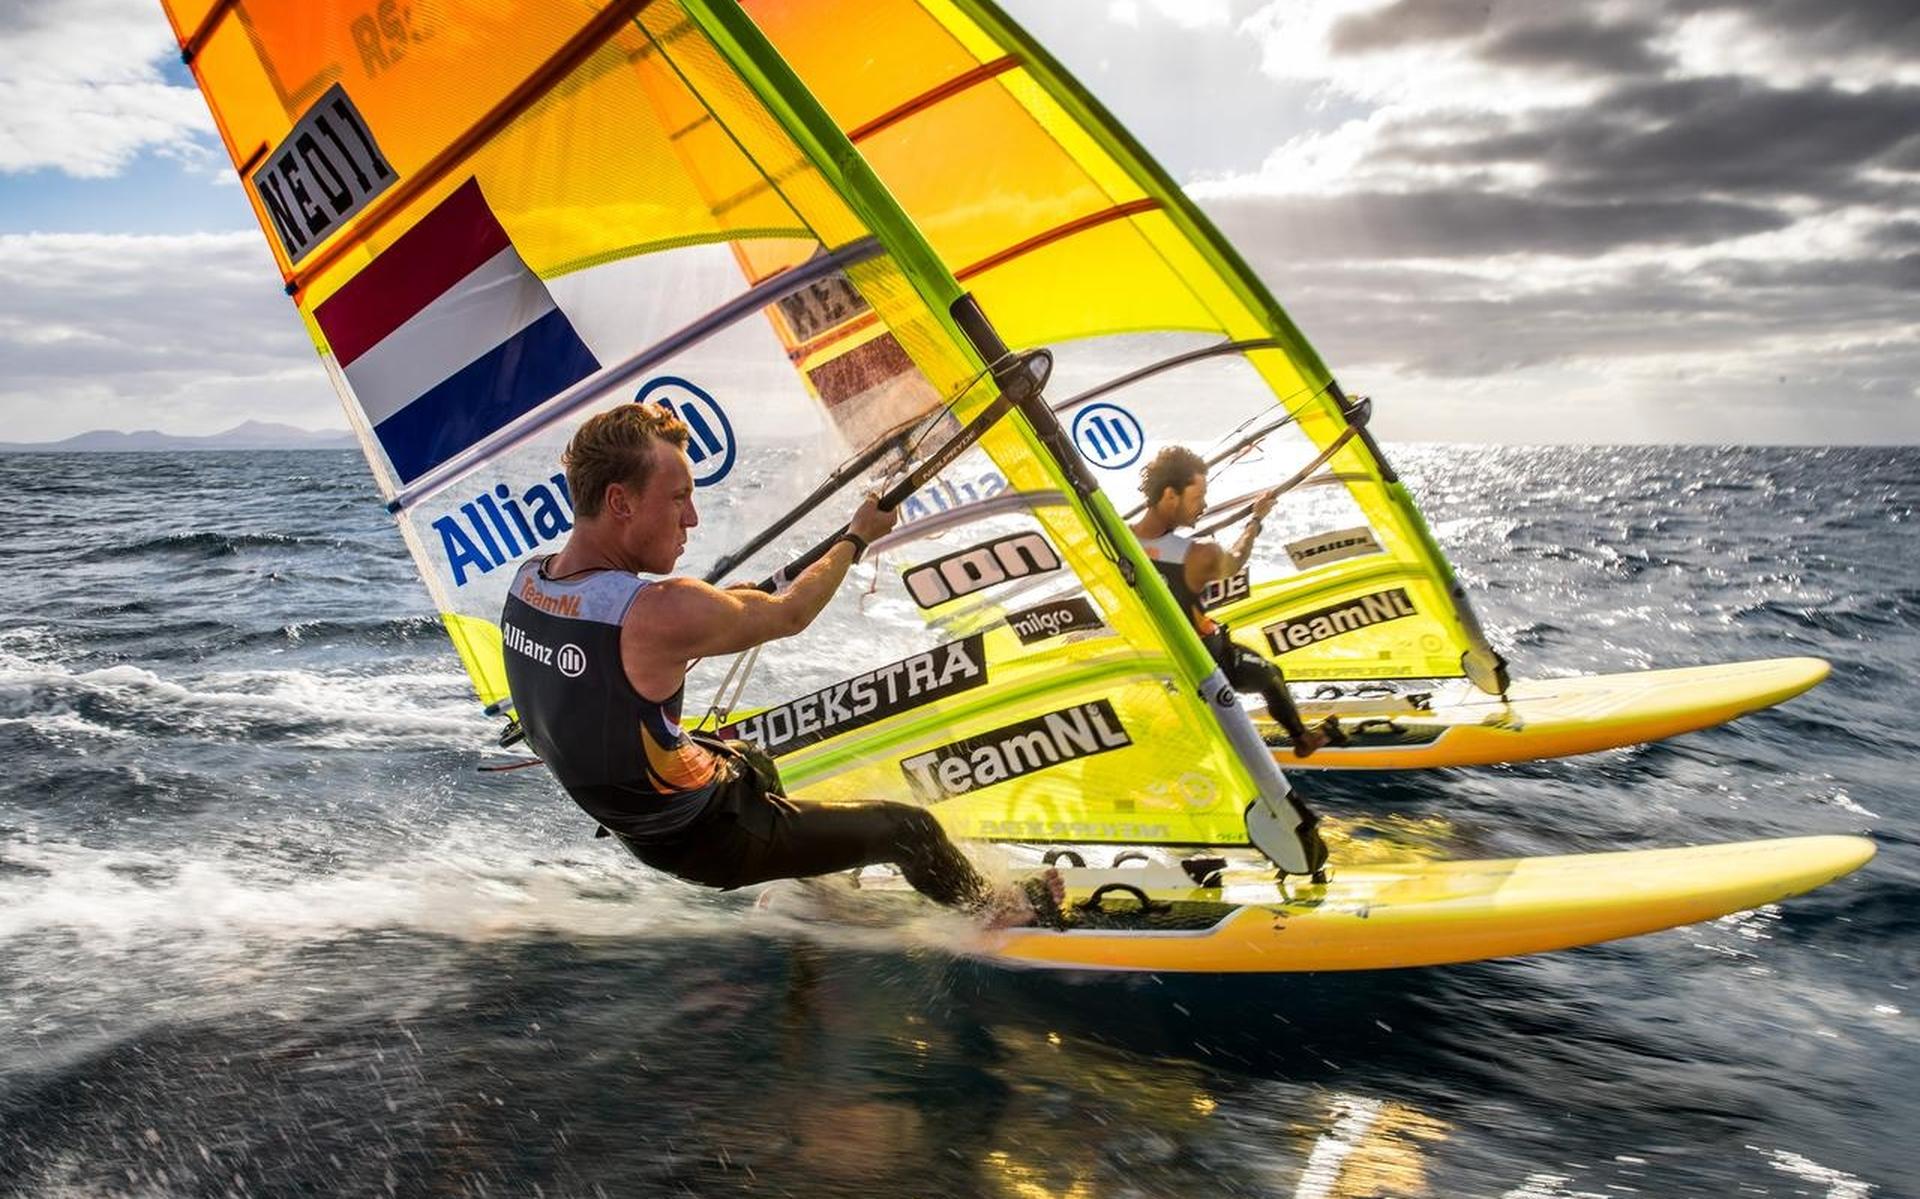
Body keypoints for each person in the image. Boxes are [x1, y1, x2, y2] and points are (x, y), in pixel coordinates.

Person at [500, 404, 1062, 926]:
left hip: (643, 824)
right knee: (908, 828)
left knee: (753, 760)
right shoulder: (663, 611)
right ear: (621, 502)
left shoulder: (531, 581)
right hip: (708, 839)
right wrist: (857, 536)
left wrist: (715, 613)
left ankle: (814, 879)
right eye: (678, 498)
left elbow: (603, 669)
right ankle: (998, 911)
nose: (692, 518)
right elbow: (790, 614)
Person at [1128, 446, 1343, 757]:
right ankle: (1302, 739)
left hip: (1157, 661)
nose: (1203, 505)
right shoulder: (1200, 553)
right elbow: (1235, 561)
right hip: (1207, 659)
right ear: (1170, 496)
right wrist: (1255, 521)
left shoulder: (1117, 540)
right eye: (1197, 498)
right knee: (1270, 674)